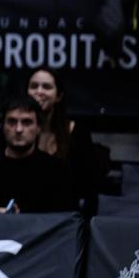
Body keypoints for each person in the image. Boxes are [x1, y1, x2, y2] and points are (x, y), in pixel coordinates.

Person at [0, 97, 75, 213]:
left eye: (27, 122)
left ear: (38, 128)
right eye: (12, 121)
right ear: (3, 126)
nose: (19, 129)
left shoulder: (56, 170)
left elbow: (64, 218)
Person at [26, 67, 100, 209]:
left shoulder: (77, 133)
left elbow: (88, 185)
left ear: (58, 95)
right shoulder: (17, 131)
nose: (39, 91)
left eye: (46, 87)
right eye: (34, 86)